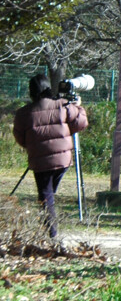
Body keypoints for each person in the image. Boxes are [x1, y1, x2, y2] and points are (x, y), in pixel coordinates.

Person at [12, 74, 89, 239]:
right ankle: (48, 229)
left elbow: (20, 137)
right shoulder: (63, 105)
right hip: (63, 161)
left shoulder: (23, 113)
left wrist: (33, 145)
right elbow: (80, 123)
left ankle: (51, 234)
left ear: (31, 91)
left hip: (40, 161)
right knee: (48, 195)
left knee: (46, 197)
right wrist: (78, 107)